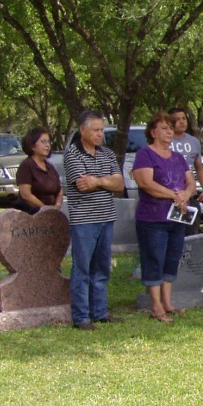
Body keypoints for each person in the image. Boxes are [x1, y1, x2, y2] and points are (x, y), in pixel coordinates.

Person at [64, 111, 126, 330]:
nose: (101, 134)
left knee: (101, 267)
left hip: (106, 217)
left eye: (102, 130)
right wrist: (106, 181)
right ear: (83, 130)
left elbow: (119, 185)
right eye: (96, 130)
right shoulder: (73, 154)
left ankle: (100, 312)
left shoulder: (107, 154)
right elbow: (82, 184)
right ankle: (81, 316)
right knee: (82, 268)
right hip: (84, 220)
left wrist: (97, 181)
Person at [132, 112, 195, 323]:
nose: (169, 131)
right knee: (154, 259)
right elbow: (146, 183)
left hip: (177, 218)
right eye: (164, 128)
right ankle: (156, 306)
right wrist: (173, 195)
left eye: (171, 128)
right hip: (152, 218)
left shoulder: (177, 157)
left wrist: (185, 194)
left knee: (172, 259)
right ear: (153, 132)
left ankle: (167, 302)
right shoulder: (145, 155)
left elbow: (190, 182)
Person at [15, 127, 63, 214]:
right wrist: (44, 208)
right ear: (32, 146)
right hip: (31, 214)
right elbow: (26, 195)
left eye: (48, 142)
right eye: (43, 142)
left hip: (52, 214)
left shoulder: (50, 167)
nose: (47, 145)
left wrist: (57, 205)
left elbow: (59, 190)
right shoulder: (26, 165)